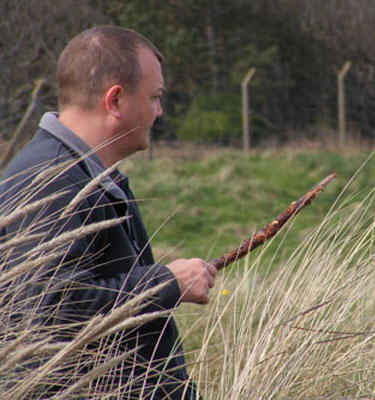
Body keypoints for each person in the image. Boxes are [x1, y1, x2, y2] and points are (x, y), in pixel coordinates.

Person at [0, 26, 216, 399]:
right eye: (155, 97)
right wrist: (166, 283)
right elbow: (51, 308)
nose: (159, 111)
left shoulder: (87, 174)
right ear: (115, 101)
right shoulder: (48, 179)